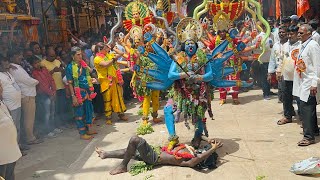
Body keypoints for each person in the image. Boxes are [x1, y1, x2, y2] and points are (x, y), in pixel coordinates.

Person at [95, 135, 222, 175]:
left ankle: (123, 166)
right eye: (202, 150)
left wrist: (213, 149)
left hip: (154, 158)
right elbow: (198, 137)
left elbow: (200, 157)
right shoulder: (191, 149)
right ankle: (105, 154)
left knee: (135, 140)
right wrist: (209, 140)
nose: (200, 151)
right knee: (130, 150)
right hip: (155, 150)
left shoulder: (190, 161)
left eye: (204, 152)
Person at [8, 49, 43, 145]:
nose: (20, 57)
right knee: (29, 119)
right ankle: (30, 138)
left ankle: (29, 136)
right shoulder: (14, 69)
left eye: (20, 55)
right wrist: (37, 81)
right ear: (11, 58)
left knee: (28, 118)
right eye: (18, 55)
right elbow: (27, 80)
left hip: (27, 94)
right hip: (27, 95)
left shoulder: (16, 67)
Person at [293, 24, 320, 146]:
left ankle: (308, 137)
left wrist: (315, 83)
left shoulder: (313, 45)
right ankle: (314, 130)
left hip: (309, 82)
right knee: (308, 106)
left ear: (309, 33)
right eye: (298, 33)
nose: (298, 35)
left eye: (301, 33)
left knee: (306, 108)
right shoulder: (302, 45)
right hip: (302, 81)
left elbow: (317, 65)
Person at [66, 47, 97, 140]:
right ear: (72, 56)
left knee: (88, 111)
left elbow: (87, 76)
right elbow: (70, 83)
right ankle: (82, 133)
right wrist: (73, 96)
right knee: (79, 114)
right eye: (78, 55)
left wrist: (92, 80)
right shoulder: (70, 67)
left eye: (81, 54)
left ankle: (88, 130)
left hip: (87, 92)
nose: (80, 56)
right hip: (78, 93)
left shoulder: (83, 65)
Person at [94, 42, 127, 125]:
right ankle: (108, 117)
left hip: (115, 80)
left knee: (118, 97)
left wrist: (114, 48)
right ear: (100, 50)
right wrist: (114, 59)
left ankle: (121, 114)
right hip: (106, 82)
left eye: (106, 48)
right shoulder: (97, 58)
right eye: (105, 49)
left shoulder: (108, 55)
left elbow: (122, 53)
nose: (107, 50)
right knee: (107, 100)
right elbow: (106, 64)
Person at [274, 25, 301, 125]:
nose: (289, 36)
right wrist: (279, 71)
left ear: (297, 34)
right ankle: (287, 116)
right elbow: (282, 59)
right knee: (286, 97)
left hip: (298, 76)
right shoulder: (285, 45)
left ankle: (302, 118)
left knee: (299, 98)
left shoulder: (301, 45)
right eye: (288, 34)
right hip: (286, 75)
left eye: (292, 34)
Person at [30, 56, 57, 138]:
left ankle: (52, 128)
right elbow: (42, 85)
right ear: (32, 65)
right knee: (46, 113)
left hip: (50, 93)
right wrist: (51, 93)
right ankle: (47, 131)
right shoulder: (34, 73)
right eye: (35, 63)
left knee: (52, 112)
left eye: (38, 62)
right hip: (43, 95)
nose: (38, 64)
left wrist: (54, 90)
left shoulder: (44, 69)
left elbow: (51, 79)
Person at [0, 84, 22, 180]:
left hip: (10, 150)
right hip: (2, 155)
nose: (1, 88)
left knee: (10, 174)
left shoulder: (2, 103)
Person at [41, 48, 65, 133]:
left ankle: (60, 124)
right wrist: (52, 71)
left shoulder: (57, 61)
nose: (53, 57)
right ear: (46, 55)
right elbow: (43, 77)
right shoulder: (43, 63)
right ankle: (53, 126)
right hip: (52, 90)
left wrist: (62, 69)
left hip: (61, 87)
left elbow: (63, 70)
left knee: (61, 107)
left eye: (54, 55)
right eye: (51, 56)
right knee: (53, 110)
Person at [268, 26, 288, 103]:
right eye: (280, 32)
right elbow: (272, 59)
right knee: (281, 89)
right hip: (279, 71)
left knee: (288, 91)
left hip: (289, 71)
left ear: (287, 33)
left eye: (283, 32)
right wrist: (270, 72)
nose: (281, 34)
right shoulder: (276, 45)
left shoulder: (290, 45)